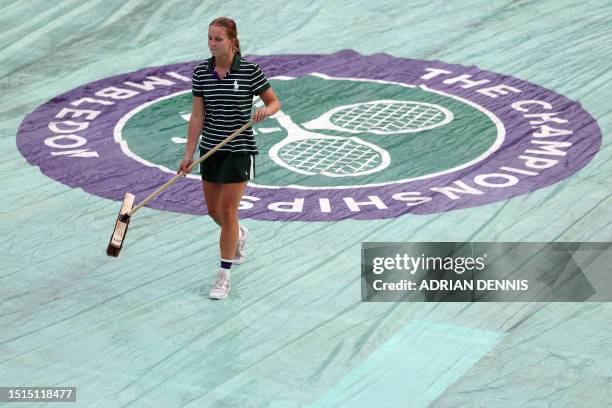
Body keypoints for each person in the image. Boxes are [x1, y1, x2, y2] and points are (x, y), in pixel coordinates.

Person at [177, 17, 281, 300]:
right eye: (209, 38)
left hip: (239, 150)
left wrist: (265, 112)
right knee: (214, 212)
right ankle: (238, 234)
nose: (212, 44)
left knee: (228, 212)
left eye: (218, 39)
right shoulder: (201, 73)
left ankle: (223, 276)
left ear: (232, 41)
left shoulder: (249, 71)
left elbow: (274, 101)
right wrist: (188, 153)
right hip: (210, 150)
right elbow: (198, 115)